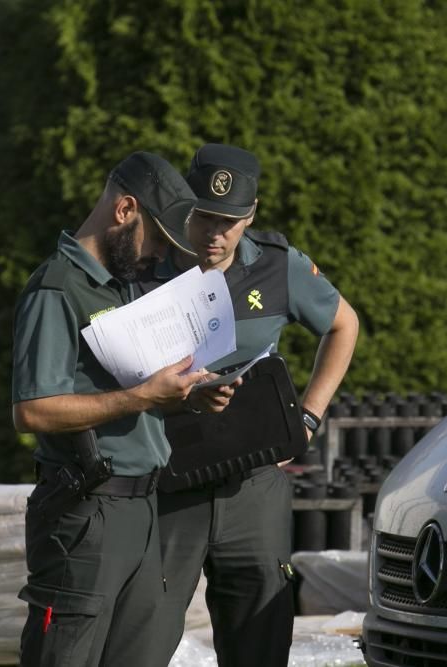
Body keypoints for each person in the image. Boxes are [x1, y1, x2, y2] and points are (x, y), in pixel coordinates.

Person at [136, 143, 360, 666]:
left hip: (253, 483)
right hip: (168, 482)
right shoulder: (143, 271)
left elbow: (344, 325)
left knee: (258, 641)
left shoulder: (279, 268)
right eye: (205, 218)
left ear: (251, 216)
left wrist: (307, 417)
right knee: (143, 637)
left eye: (230, 222)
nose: (216, 235)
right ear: (184, 209)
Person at [11, 151, 236, 667]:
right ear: (124, 209)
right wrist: (141, 398)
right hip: (86, 511)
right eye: (154, 239)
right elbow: (32, 411)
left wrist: (186, 394)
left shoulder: (126, 286)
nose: (157, 255)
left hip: (143, 509)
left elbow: (136, 388)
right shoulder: (57, 289)